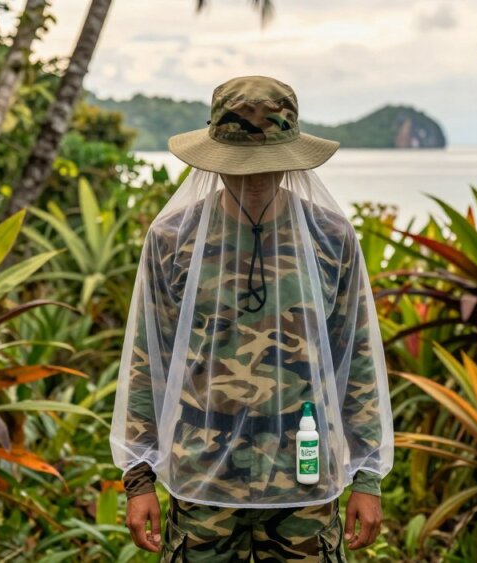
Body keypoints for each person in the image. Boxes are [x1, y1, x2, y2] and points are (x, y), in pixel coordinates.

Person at [110, 75, 394, 562]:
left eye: (268, 163)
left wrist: (366, 475)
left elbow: (358, 356)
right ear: (215, 158)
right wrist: (139, 479)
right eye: (242, 163)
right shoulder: (173, 237)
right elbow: (147, 362)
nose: (256, 176)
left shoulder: (329, 236)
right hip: (201, 477)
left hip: (305, 478)